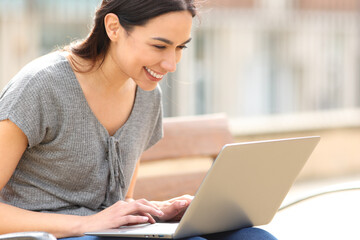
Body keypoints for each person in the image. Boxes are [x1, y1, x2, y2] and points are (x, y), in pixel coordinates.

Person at [0, 0, 277, 239]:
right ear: (113, 28)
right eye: (159, 46)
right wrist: (85, 224)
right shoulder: (41, 86)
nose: (171, 64)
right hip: (46, 236)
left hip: (106, 233)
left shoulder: (146, 95)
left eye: (180, 47)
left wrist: (157, 211)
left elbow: (121, 201)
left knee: (255, 236)